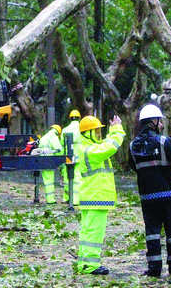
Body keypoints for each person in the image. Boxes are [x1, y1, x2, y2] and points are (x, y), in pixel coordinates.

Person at [129, 104, 171, 278]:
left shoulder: (133, 146)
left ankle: (154, 268)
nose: (161, 124)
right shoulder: (163, 141)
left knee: (152, 233)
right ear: (153, 122)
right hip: (168, 195)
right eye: (160, 121)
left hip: (147, 197)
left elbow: (135, 166)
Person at [77, 114, 125, 275]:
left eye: (99, 131)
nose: (99, 134)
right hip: (95, 197)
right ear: (87, 133)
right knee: (94, 233)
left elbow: (105, 145)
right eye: (95, 131)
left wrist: (111, 132)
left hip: (93, 197)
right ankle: (89, 265)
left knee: (88, 231)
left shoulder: (89, 148)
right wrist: (117, 129)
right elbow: (110, 147)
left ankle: (85, 263)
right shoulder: (89, 150)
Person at [36, 124, 63, 204]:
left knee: (47, 181)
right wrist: (60, 163)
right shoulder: (53, 137)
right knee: (50, 181)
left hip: (42, 159)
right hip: (49, 160)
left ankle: (49, 198)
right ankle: (51, 200)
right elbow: (59, 150)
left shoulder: (44, 137)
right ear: (58, 133)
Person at [61, 110, 82, 205]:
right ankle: (76, 200)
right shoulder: (82, 129)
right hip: (79, 157)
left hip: (68, 157)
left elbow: (62, 144)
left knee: (67, 178)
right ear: (79, 118)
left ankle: (66, 198)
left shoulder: (65, 130)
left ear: (70, 118)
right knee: (77, 178)